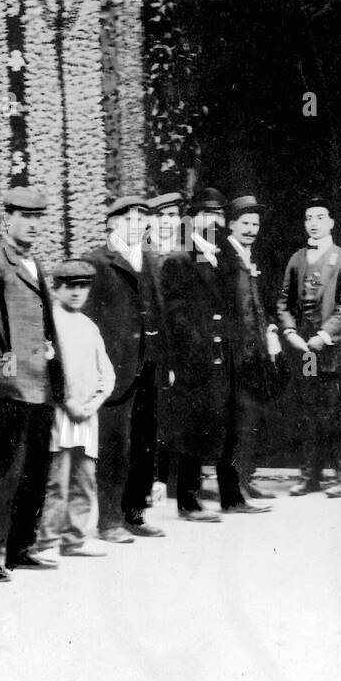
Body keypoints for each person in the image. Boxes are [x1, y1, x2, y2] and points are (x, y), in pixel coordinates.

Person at [0, 186, 65, 581]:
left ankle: (21, 547)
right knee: (4, 470)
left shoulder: (34, 264)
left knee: (36, 470)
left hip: (40, 382)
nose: (33, 224)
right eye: (25, 216)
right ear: (6, 218)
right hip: (9, 386)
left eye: (38, 217)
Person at [84, 196, 167, 541]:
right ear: (112, 223)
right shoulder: (98, 262)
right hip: (115, 368)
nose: (139, 225)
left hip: (147, 364)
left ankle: (135, 512)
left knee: (144, 441)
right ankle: (109, 520)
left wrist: (164, 360)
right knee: (114, 442)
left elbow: (158, 312)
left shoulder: (149, 260)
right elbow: (85, 318)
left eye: (142, 219)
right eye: (131, 218)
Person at [276, 197, 341, 498]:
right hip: (304, 350)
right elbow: (283, 302)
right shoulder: (297, 259)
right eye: (309, 217)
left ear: (331, 222)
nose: (313, 223)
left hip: (331, 349)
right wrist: (290, 331)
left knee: (337, 412)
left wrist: (323, 335)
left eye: (320, 217)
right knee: (308, 412)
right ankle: (309, 476)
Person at [160, 187, 234, 520]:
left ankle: (214, 495)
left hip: (216, 354)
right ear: (192, 219)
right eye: (206, 214)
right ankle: (187, 501)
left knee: (212, 424)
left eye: (218, 214)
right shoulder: (180, 258)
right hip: (192, 358)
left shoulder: (220, 257)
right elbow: (175, 313)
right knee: (191, 427)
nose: (213, 220)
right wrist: (195, 348)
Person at [36, 259, 115, 558]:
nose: (76, 293)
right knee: (57, 480)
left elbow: (106, 374)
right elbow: (49, 371)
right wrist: (68, 403)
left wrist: (92, 403)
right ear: (56, 289)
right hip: (60, 414)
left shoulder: (89, 326)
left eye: (83, 287)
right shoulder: (50, 324)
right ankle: (47, 540)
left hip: (87, 416)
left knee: (84, 479)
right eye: (70, 287)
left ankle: (75, 539)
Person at [215, 194, 281, 511]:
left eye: (256, 223)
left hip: (253, 353)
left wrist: (267, 332)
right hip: (233, 354)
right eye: (246, 223)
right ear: (231, 224)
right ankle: (234, 492)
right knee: (236, 422)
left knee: (250, 419)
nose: (252, 228)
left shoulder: (249, 255)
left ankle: (245, 479)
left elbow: (257, 304)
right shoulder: (224, 257)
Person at [144, 192, 183, 497]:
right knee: (154, 412)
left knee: (177, 411)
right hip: (156, 343)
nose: (168, 223)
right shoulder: (145, 254)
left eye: (172, 217)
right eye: (162, 217)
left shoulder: (185, 251)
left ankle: (173, 479)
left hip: (181, 342)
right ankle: (155, 478)